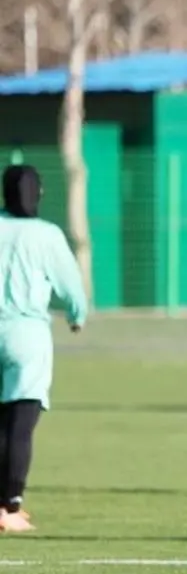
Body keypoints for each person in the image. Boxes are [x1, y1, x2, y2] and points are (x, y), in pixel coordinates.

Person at [0, 164, 87, 533]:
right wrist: (77, 315)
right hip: (27, 336)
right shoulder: (46, 235)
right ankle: (9, 506)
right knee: (20, 425)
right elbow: (71, 285)